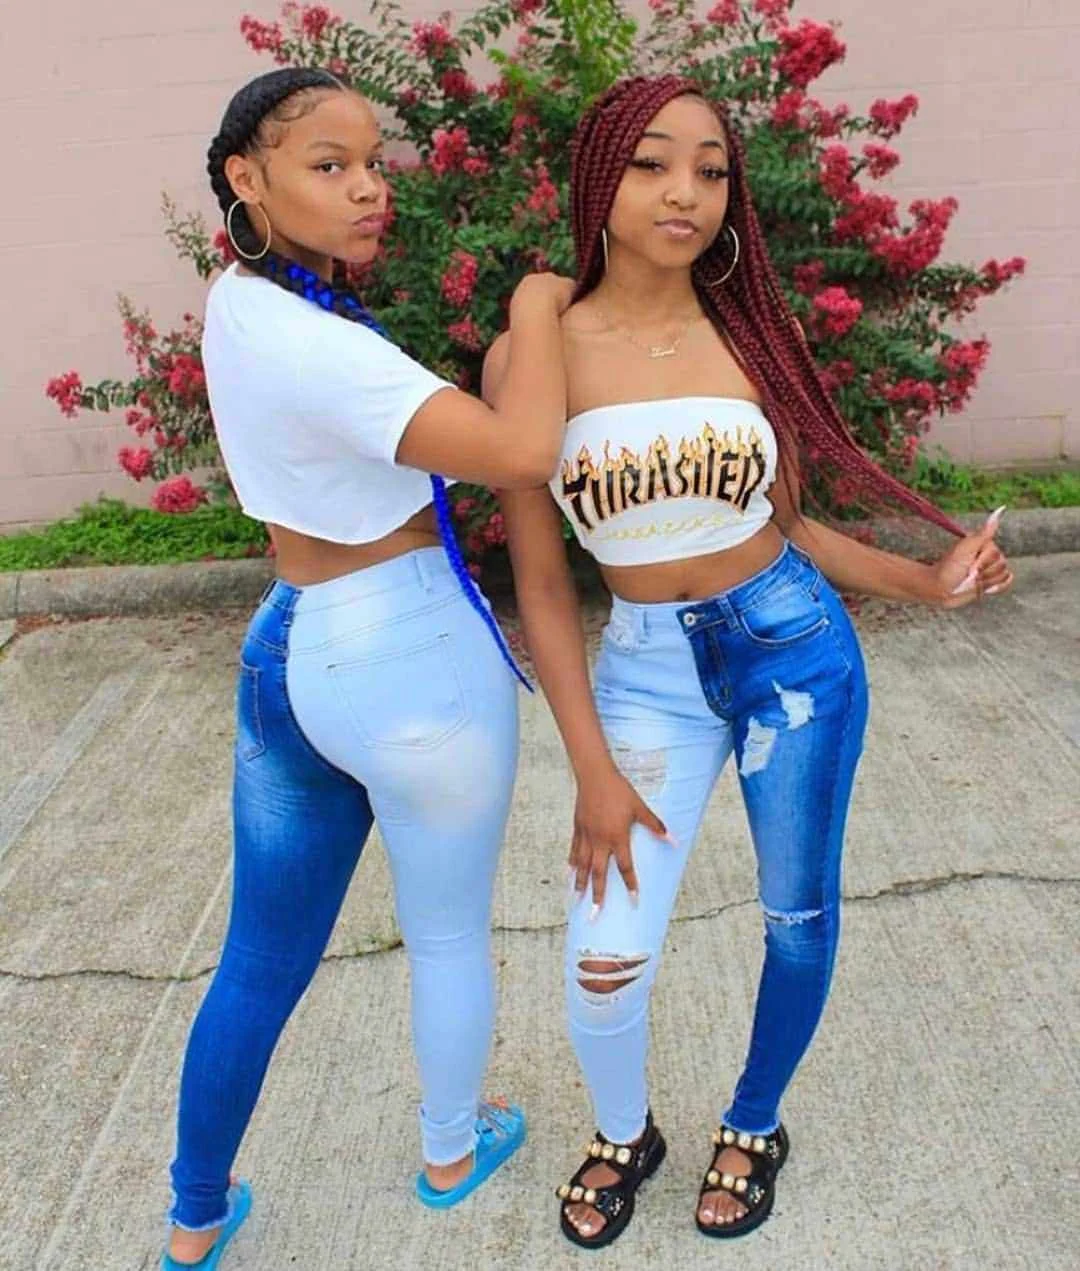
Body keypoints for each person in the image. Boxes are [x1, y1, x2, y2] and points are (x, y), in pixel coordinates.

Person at [484, 74, 1013, 1249]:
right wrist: (589, 765)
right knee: (605, 954)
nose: (685, 192)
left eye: (712, 171)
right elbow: (542, 584)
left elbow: (794, 531)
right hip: (645, 676)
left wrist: (927, 581)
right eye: (652, 163)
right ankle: (624, 1130)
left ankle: (754, 1121)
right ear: (600, 176)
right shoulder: (533, 348)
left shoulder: (752, 336)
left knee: (798, 918)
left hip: (794, 654)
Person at [162, 67, 571, 1269]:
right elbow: (522, 450)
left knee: (258, 957)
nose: (367, 189)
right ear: (246, 178)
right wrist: (538, 306)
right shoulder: (323, 347)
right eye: (328, 166)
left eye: (374, 164)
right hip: (407, 658)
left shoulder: (241, 302)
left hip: (295, 640)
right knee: (444, 935)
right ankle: (450, 1149)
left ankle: (195, 1215)